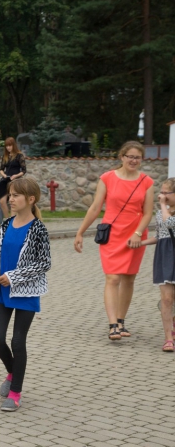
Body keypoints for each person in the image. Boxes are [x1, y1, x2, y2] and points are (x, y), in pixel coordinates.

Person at [74, 141, 154, 340]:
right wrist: (80, 232)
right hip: (113, 234)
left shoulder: (147, 182)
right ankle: (112, 325)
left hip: (135, 235)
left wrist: (138, 233)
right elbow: (95, 207)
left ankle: (121, 321)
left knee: (129, 279)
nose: (133, 160)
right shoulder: (107, 178)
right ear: (122, 157)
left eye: (137, 157)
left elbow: (148, 213)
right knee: (113, 278)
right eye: (130, 156)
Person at [0, 178, 51, 411]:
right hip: (3, 291)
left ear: (30, 199)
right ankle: (13, 372)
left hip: (26, 293)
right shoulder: (6, 224)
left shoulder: (39, 229)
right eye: (10, 195)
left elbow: (44, 263)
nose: (10, 199)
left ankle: (15, 393)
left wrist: (13, 276)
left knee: (17, 342)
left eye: (15, 195)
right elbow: (2, 255)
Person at [132, 177, 175, 351]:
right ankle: (168, 338)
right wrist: (140, 243)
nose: (161, 196)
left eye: (166, 193)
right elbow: (160, 236)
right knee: (166, 298)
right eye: (161, 192)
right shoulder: (161, 213)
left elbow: (169, 223)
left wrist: (163, 205)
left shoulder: (163, 212)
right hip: (164, 256)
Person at [0, 137, 27, 220]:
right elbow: (1, 169)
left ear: (13, 145)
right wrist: (4, 175)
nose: (8, 147)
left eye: (10, 145)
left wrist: (16, 176)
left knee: (13, 201)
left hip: (15, 180)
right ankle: (7, 219)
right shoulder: (5, 156)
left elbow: (24, 170)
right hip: (6, 180)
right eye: (7, 146)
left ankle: (13, 219)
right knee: (2, 201)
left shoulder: (19, 155)